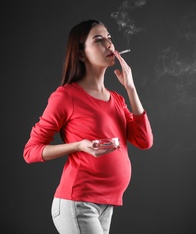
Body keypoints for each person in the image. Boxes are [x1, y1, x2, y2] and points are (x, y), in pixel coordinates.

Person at [23, 19, 153, 234]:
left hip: (106, 204)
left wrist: (131, 89)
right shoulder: (66, 96)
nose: (109, 45)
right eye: (99, 40)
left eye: (109, 38)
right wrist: (78, 146)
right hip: (78, 202)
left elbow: (144, 141)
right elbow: (30, 152)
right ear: (81, 54)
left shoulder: (117, 99)